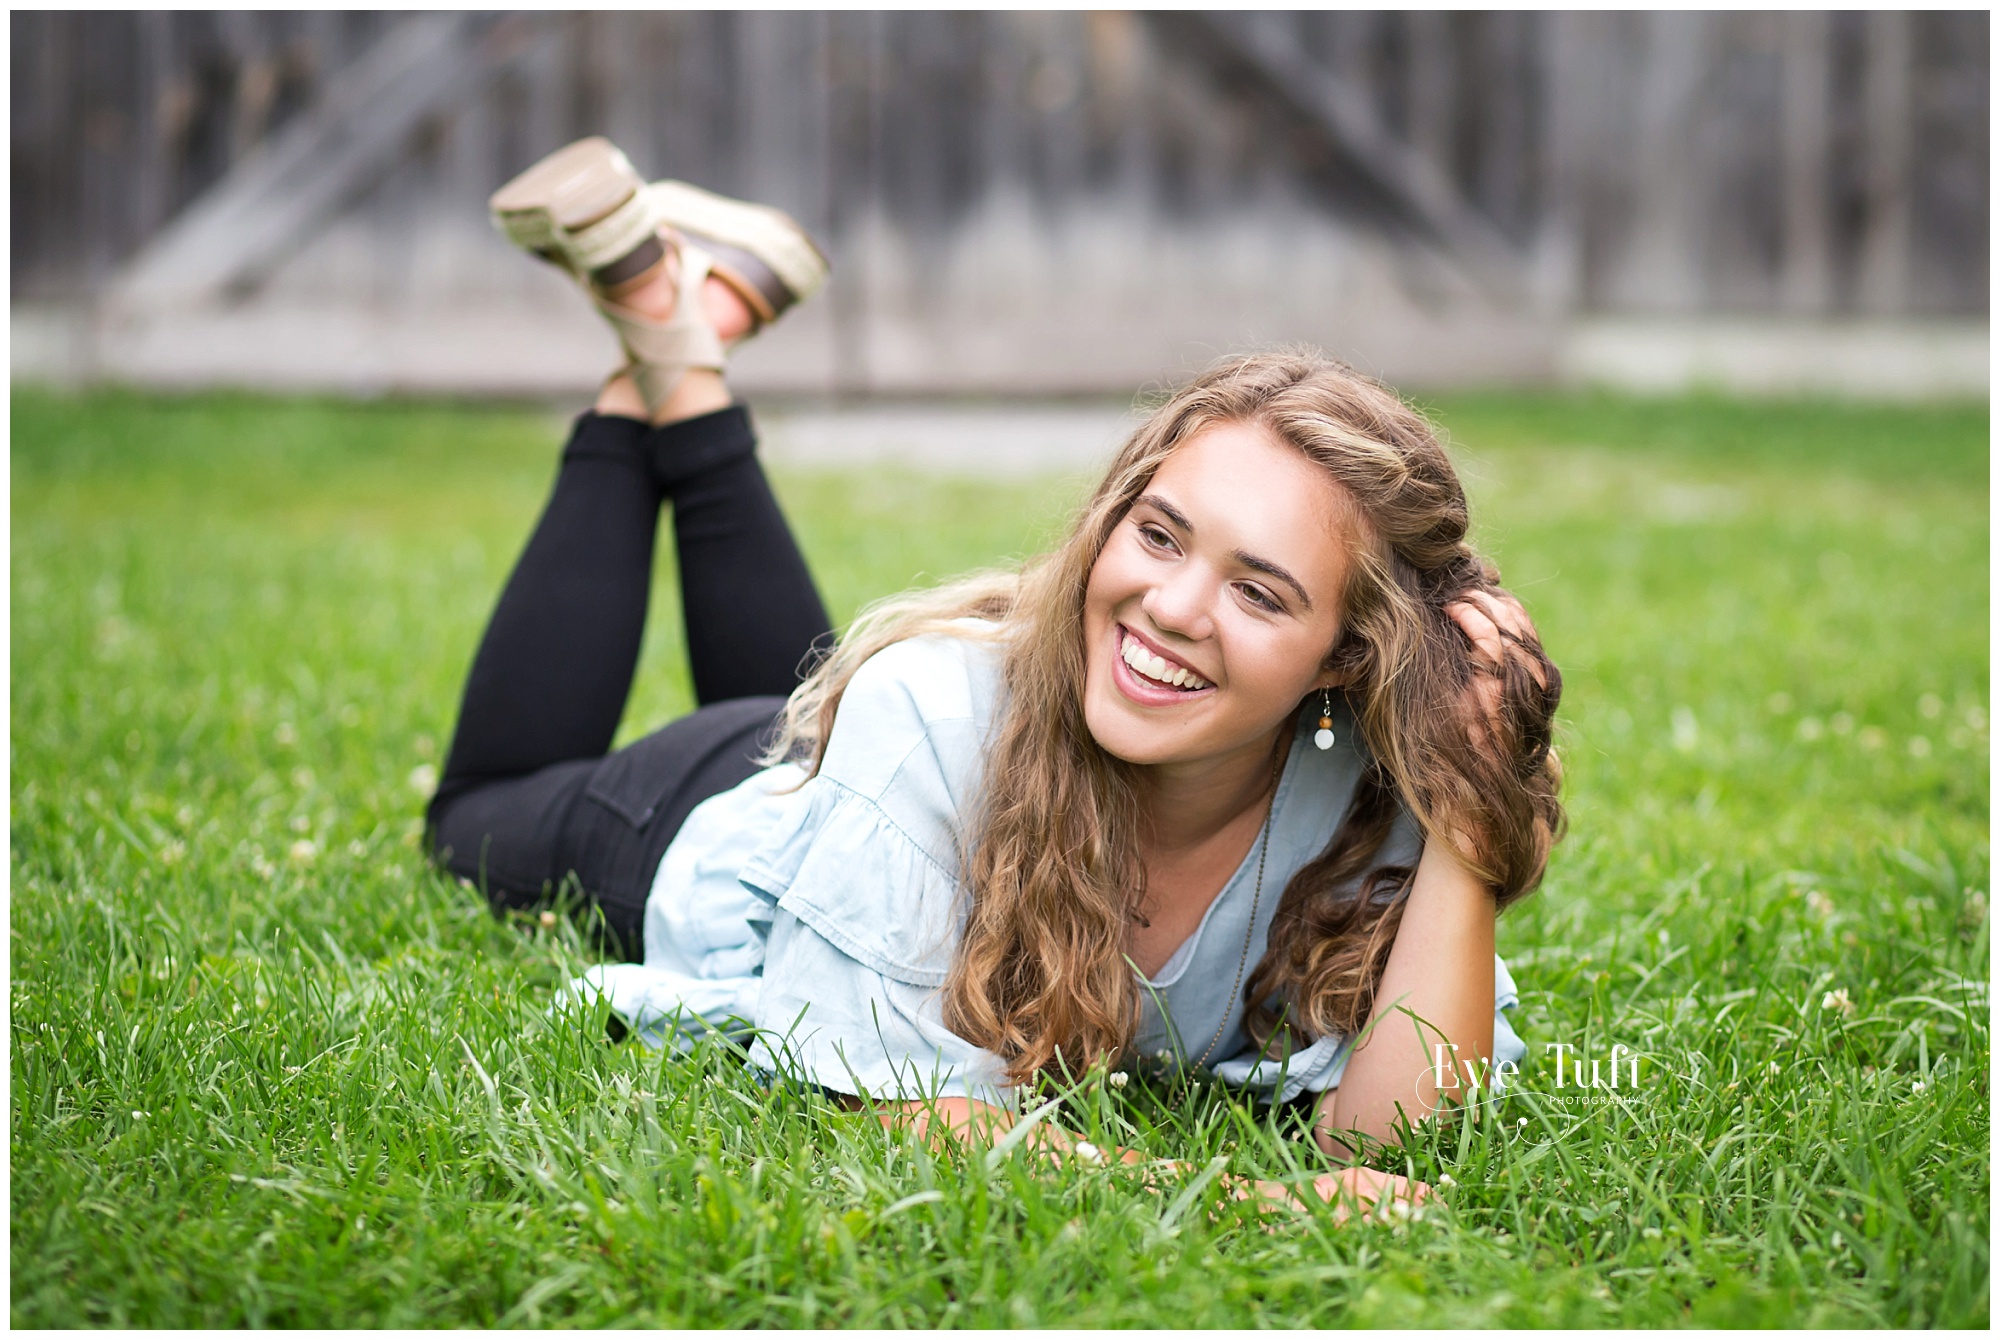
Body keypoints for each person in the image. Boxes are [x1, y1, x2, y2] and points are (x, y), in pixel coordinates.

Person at [430, 138, 1563, 1216]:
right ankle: (663, 339)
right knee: (473, 816)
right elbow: (892, 1106)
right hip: (717, 810)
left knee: (809, 691)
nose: (1169, 607)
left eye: (1258, 591)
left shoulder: (1371, 787)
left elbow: (1389, 1149)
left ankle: (689, 326)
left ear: (1347, 658)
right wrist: (1250, 1202)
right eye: (1158, 535)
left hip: (878, 777)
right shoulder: (927, 709)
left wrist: (1469, 814)